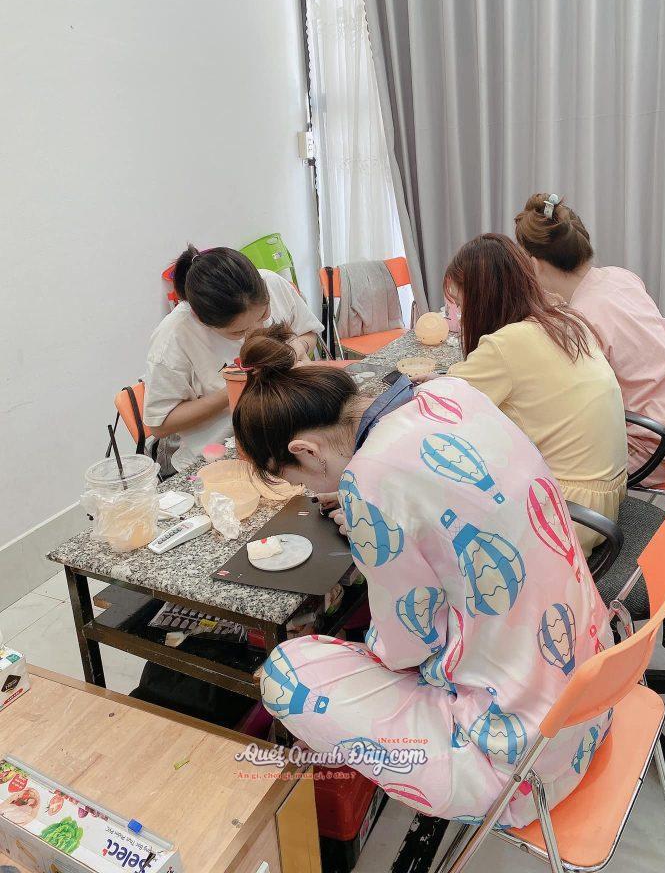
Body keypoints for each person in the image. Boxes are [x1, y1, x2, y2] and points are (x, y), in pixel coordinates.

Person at [232, 328, 613, 828]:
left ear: (305, 451)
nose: (307, 490)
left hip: (522, 763)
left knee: (285, 673)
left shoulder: (370, 482)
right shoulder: (449, 391)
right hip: (592, 689)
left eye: (295, 478)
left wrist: (369, 517)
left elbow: (407, 647)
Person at [443, 234, 627, 555]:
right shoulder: (566, 321)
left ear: (482, 298)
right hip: (604, 501)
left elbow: (439, 407)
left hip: (564, 514)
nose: (459, 315)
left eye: (460, 304)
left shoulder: (504, 345)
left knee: (442, 494)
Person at [515, 194, 665, 485]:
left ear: (534, 264)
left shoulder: (580, 320)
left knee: (535, 455)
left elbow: (574, 406)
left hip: (661, 448)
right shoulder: (621, 277)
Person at [143, 245, 323, 471]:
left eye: (264, 314)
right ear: (201, 319)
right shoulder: (174, 338)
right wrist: (235, 388)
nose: (257, 330)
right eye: (238, 332)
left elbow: (309, 332)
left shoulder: (272, 283)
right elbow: (160, 425)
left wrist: (296, 348)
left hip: (292, 425)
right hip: (220, 454)